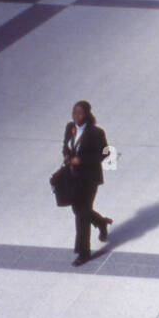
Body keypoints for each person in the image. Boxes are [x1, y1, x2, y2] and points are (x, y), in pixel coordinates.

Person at [61, 101, 111, 266]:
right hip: (73, 176)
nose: (76, 116)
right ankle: (101, 222)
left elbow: (105, 152)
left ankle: (84, 252)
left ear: (87, 114)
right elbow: (66, 145)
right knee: (79, 210)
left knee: (82, 215)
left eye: (80, 113)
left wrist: (81, 160)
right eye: (74, 112)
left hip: (89, 178)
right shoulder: (70, 128)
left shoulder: (96, 132)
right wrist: (67, 156)